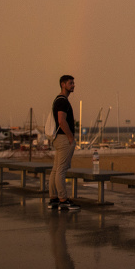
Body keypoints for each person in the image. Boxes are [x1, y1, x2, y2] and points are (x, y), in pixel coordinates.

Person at [48, 75, 80, 212]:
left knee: (56, 169)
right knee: (61, 170)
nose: (73, 85)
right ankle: (63, 200)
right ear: (63, 84)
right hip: (63, 139)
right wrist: (71, 137)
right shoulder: (62, 101)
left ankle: (53, 199)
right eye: (70, 83)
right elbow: (61, 120)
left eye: (73, 83)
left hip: (59, 138)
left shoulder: (59, 100)